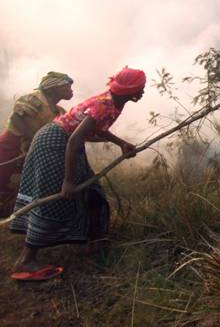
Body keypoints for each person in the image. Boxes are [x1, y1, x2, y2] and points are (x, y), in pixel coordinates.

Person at [9, 67, 145, 281]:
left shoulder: (114, 102)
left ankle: (94, 242)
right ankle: (26, 260)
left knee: (93, 192)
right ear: (131, 90)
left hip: (67, 144)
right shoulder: (105, 104)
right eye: (140, 88)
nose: (143, 92)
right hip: (56, 143)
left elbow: (96, 129)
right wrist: (68, 180)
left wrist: (121, 143)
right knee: (53, 199)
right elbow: (73, 140)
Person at [0, 72, 74, 217]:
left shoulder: (60, 112)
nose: (71, 91)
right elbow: (17, 119)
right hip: (11, 148)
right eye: (67, 86)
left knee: (18, 190)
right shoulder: (34, 99)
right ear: (53, 87)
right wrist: (37, 140)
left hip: (31, 153)